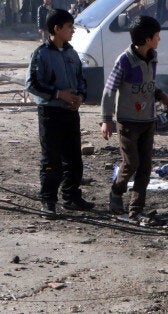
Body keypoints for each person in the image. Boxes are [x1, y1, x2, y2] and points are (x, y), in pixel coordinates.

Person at [100, 15, 168, 226]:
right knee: (131, 163)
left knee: (145, 167)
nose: (159, 39)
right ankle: (116, 192)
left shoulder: (153, 56)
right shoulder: (124, 61)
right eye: (157, 36)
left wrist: (160, 95)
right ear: (147, 38)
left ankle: (136, 210)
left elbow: (149, 83)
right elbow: (109, 90)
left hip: (147, 121)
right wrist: (106, 120)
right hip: (128, 122)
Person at [25, 8, 95, 215]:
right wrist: (58, 94)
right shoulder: (41, 54)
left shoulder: (72, 53)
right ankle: (48, 201)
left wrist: (80, 97)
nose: (73, 31)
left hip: (70, 113)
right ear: (56, 29)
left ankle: (71, 196)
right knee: (51, 159)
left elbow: (81, 81)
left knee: (74, 158)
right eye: (69, 27)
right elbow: (33, 84)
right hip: (50, 114)